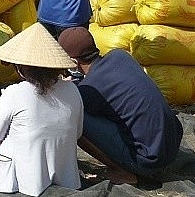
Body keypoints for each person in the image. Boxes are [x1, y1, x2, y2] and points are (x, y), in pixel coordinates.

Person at [0, 22, 84, 197]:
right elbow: (77, 133)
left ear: (21, 68)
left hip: (23, 179)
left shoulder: (15, 92)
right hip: (64, 175)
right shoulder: (72, 90)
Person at [57, 27, 183, 185]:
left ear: (74, 62)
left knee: (74, 118)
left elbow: (84, 96)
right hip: (172, 146)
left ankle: (123, 171)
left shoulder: (90, 90)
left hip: (148, 161)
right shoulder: (120, 55)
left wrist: (68, 89)